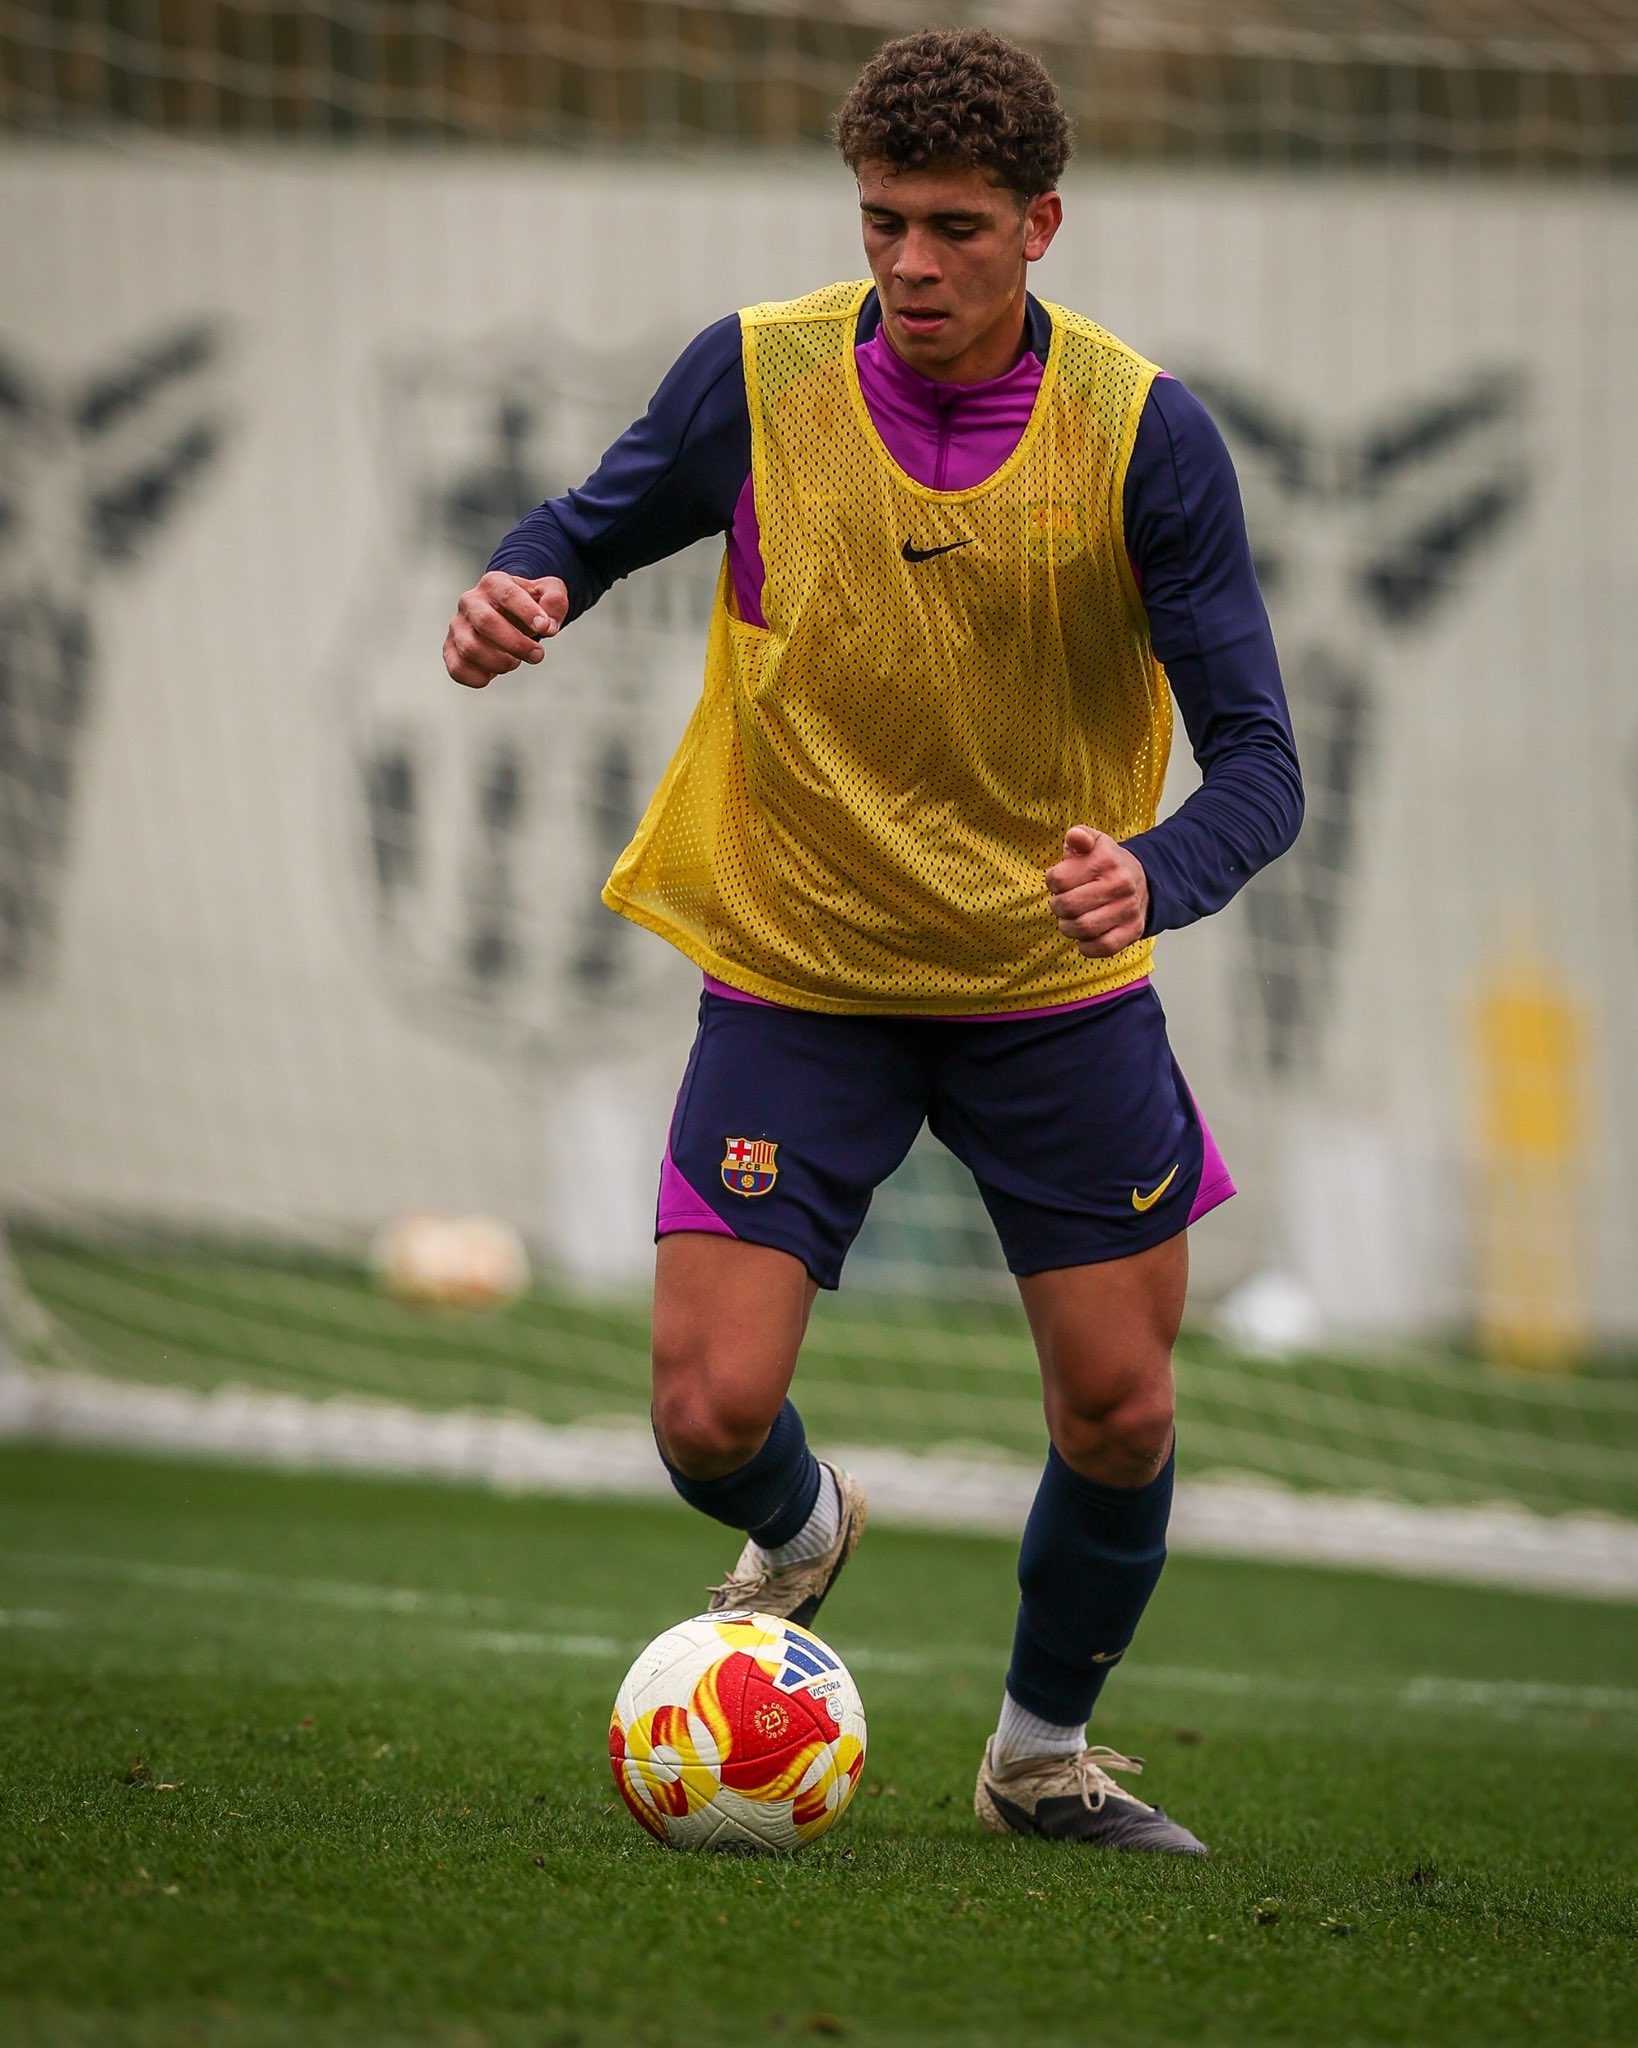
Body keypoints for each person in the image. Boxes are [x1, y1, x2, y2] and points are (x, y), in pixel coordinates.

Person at [443, 27, 1302, 1856]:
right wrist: (524, 588)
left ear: (1040, 226)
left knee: (1122, 1411)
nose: (910, 263)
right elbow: (585, 531)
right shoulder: (753, 375)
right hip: (797, 968)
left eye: (954, 228)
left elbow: (1263, 766)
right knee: (704, 1416)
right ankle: (805, 1516)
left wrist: (1158, 872)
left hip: (1046, 991)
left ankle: (1038, 1757)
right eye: (883, 222)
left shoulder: (1146, 434)